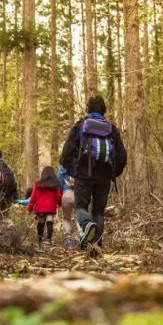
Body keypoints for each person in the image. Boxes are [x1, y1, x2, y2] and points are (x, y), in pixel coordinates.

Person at [60, 95, 127, 255]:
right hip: (105, 175)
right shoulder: (112, 128)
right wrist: (113, 173)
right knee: (98, 211)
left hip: (84, 174)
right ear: (104, 110)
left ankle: (87, 224)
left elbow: (65, 154)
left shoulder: (80, 126)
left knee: (81, 207)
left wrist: (72, 172)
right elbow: (122, 156)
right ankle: (95, 245)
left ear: (87, 109)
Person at [27, 166, 62, 245]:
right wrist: (60, 203)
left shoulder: (38, 183)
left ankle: (40, 240)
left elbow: (33, 196)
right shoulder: (55, 184)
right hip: (50, 206)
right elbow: (58, 196)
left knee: (41, 221)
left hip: (40, 207)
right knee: (50, 220)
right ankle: (48, 240)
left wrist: (29, 208)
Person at [58, 165, 76, 247]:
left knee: (66, 218)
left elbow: (60, 179)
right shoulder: (81, 162)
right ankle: (82, 236)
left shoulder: (63, 166)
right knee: (79, 216)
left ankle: (68, 241)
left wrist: (62, 191)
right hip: (79, 194)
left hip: (66, 193)